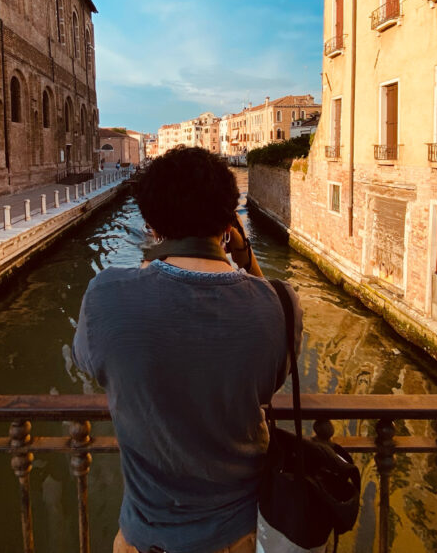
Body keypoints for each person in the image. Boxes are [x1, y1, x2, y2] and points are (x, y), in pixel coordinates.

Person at [72, 146, 302, 553]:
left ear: (150, 223)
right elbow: (274, 372)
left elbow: (94, 363)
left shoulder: (106, 296)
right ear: (229, 221)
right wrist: (246, 258)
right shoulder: (281, 306)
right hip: (241, 537)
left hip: (145, 539)